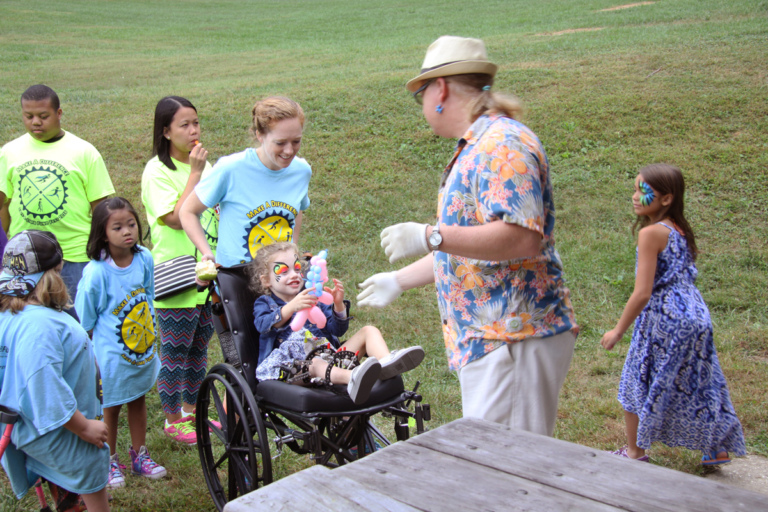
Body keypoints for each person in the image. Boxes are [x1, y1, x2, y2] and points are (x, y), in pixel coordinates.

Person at [357, 36, 578, 436]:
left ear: (439, 89)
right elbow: (472, 244)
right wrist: (400, 280)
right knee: (501, 469)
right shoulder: (479, 145)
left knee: (509, 473)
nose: (421, 105)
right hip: (493, 338)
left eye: (419, 95)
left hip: (512, 338)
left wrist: (430, 235)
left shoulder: (500, 144)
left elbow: (520, 238)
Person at [600, 164, 745, 464]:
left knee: (633, 381)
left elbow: (643, 292)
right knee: (701, 381)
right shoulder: (680, 229)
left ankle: (635, 452)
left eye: (643, 190)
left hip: (665, 319)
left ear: (666, 198)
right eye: (635, 188)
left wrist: (617, 330)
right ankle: (716, 448)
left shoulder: (651, 234)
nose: (635, 196)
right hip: (696, 315)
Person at [0, 230, 110, 511]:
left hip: (29, 424)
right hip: (59, 430)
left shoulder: (11, 313)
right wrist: (84, 427)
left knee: (60, 478)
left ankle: (66, 500)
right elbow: (45, 389)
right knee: (90, 472)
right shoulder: (40, 327)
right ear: (50, 277)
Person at [251, 242, 424, 405]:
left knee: (368, 331)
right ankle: (355, 377)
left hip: (330, 356)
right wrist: (291, 307)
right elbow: (262, 324)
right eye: (283, 270)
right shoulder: (264, 303)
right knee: (317, 364)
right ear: (266, 280)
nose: (294, 274)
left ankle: (386, 364)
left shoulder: (314, 297)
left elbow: (337, 330)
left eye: (297, 268)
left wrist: (338, 305)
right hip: (294, 370)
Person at [74, 197, 166, 488]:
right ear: (103, 234)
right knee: (110, 406)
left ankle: (140, 455)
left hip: (140, 348)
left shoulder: (144, 258)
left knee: (138, 397)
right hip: (111, 355)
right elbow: (86, 317)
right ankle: (109, 459)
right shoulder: (97, 273)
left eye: (131, 224)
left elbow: (148, 295)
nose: (127, 231)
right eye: (118, 227)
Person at [0, 85, 115, 315]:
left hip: (73, 256)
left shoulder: (84, 152)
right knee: (25, 322)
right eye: (28, 116)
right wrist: (4, 249)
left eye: (43, 116)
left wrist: (103, 249)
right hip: (24, 259)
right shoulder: (9, 152)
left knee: (78, 324)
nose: (35, 122)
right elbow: (2, 205)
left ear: (59, 114)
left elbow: (101, 209)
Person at [141, 96, 217, 445]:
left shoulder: (209, 166)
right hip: (177, 275)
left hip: (209, 272)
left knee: (199, 346)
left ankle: (192, 411)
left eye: (196, 123)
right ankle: (173, 419)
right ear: (166, 131)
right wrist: (196, 174)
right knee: (174, 351)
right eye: (184, 125)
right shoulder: (157, 171)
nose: (193, 131)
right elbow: (173, 219)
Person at [180, 96, 311, 269]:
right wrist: (207, 253)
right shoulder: (230, 169)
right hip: (237, 282)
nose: (289, 150)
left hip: (283, 279)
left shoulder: (301, 171)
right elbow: (187, 211)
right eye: (280, 142)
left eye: (296, 141)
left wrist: (293, 248)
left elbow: (297, 209)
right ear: (260, 135)